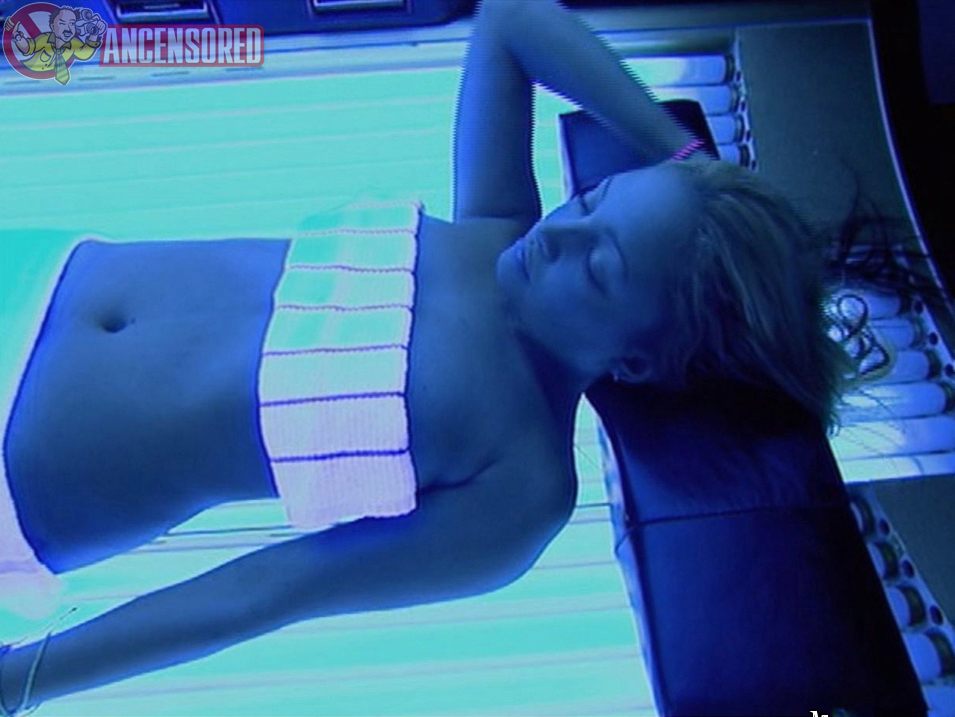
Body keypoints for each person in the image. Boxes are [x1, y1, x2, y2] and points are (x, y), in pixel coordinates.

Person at [0, 0, 852, 712]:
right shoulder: (494, 229)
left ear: (636, 361)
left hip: (19, 474)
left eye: (599, 266)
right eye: (591, 198)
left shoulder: (519, 484)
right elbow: (512, 20)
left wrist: (18, 682)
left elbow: (264, 591)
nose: (561, 234)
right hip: (33, 265)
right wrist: (685, 159)